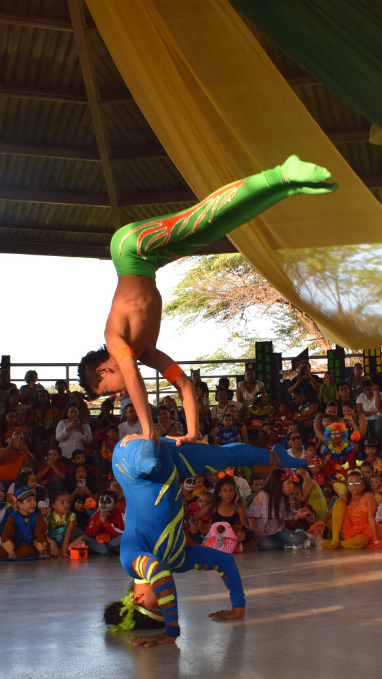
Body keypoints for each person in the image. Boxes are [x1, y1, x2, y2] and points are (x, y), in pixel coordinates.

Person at [79, 156, 336, 447]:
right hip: (150, 263)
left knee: (199, 218)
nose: (113, 395)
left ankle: (279, 174)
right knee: (213, 231)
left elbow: (135, 380)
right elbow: (186, 386)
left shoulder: (115, 340)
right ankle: (286, 189)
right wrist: (192, 433)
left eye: (105, 391)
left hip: (128, 248)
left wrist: (148, 431)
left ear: (103, 370)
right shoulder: (147, 353)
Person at [106, 438, 305, 647]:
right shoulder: (178, 560)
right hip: (169, 466)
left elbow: (160, 573)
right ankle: (275, 455)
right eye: (162, 610)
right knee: (226, 457)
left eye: (156, 607)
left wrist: (171, 631)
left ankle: (147, 447)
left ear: (137, 599)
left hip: (127, 465)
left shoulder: (131, 560)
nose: (163, 605)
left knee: (148, 459)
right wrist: (238, 607)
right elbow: (225, 562)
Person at [249, 470, 314, 550]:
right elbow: (251, 514)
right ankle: (288, 545)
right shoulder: (263, 495)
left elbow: (290, 518)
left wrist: (299, 514)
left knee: (298, 539)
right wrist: (253, 529)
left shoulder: (284, 498)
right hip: (263, 535)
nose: (292, 486)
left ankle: (302, 535)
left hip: (279, 531)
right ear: (279, 484)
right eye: (289, 483)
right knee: (264, 545)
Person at [0, 486, 50, 560]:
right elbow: (5, 535)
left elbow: (40, 534)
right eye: (29, 500)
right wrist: (10, 550)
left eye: (34, 500)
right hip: (15, 543)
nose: (33, 503)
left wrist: (41, 552)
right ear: (19, 504)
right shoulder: (13, 516)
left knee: (26, 551)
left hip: (29, 544)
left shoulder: (38, 515)